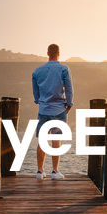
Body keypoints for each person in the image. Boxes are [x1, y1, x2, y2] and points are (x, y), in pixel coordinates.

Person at [31, 43, 73, 180]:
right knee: (56, 140)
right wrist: (69, 104)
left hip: (43, 110)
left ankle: (39, 171)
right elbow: (68, 89)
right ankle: (54, 172)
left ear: (47, 53)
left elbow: (35, 93)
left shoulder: (37, 71)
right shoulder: (64, 69)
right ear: (59, 53)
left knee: (42, 140)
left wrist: (40, 101)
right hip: (59, 109)